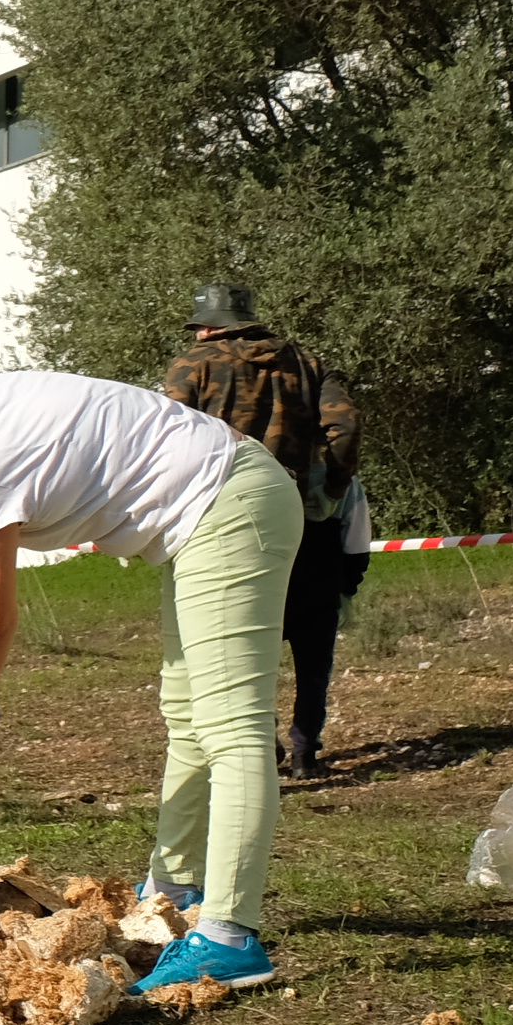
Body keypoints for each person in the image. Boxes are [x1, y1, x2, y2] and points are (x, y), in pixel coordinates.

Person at [0, 356, 304, 993]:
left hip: (227, 505)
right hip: (212, 509)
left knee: (232, 723)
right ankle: (173, 887)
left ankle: (228, 936)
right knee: (189, 713)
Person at [162, 283, 367, 779]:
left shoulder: (193, 366)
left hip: (223, 523)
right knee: (315, 641)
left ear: (206, 325)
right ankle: (305, 747)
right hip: (302, 518)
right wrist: (328, 491)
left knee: (240, 640)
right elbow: (346, 427)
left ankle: (260, 743)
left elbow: (165, 438)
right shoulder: (305, 361)